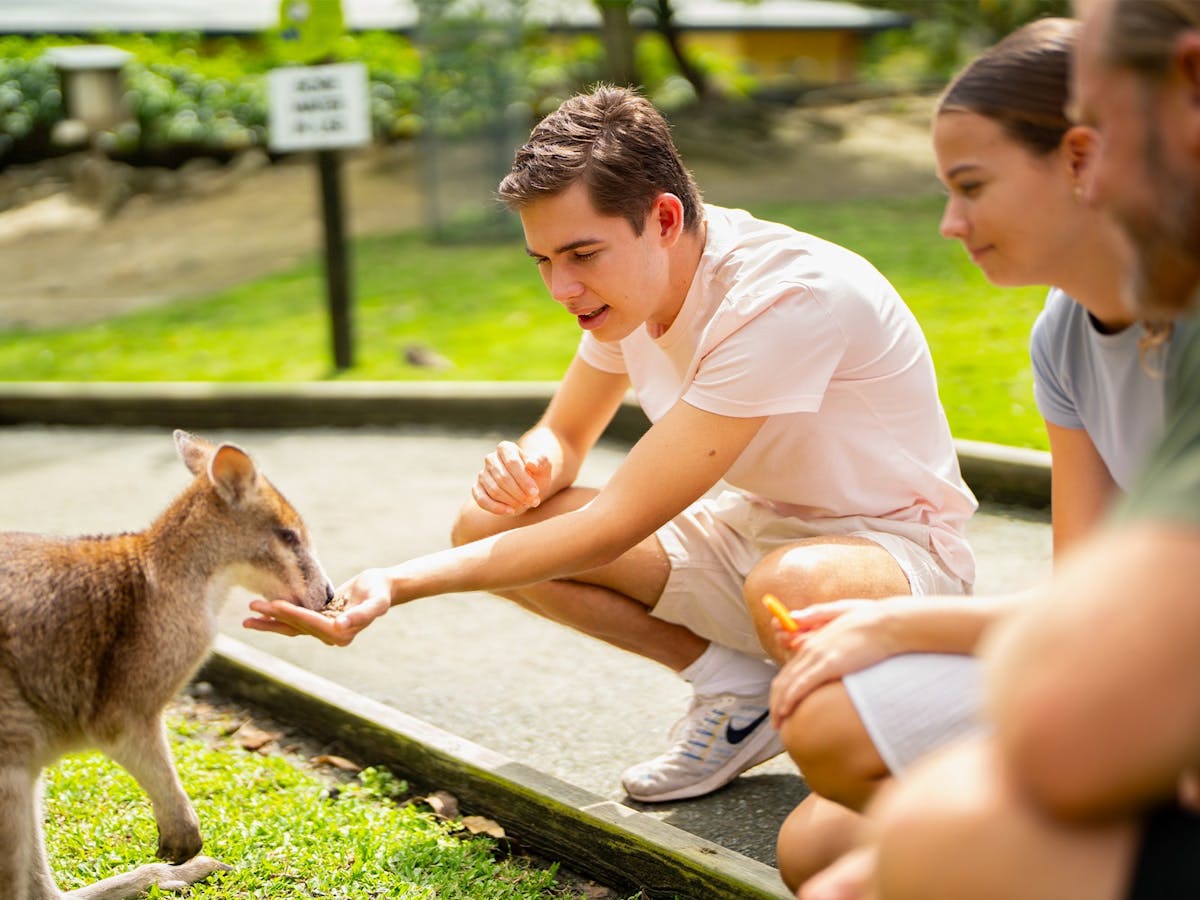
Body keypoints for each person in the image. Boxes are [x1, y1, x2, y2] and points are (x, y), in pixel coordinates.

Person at [243, 84, 977, 804]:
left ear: (662, 218)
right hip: (749, 534)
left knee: (792, 584)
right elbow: (564, 432)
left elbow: (613, 525)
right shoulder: (634, 292)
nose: (561, 288)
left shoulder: (784, 299)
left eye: (581, 254)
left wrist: (396, 584)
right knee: (489, 525)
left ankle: (884, 753)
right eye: (543, 261)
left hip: (892, 558)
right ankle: (734, 687)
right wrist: (535, 465)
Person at [764, 17, 1177, 892]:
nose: (951, 223)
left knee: (862, 850)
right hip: (1136, 658)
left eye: (973, 186)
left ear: (1080, 160)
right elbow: (1084, 594)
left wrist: (900, 623)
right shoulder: (1063, 334)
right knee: (816, 845)